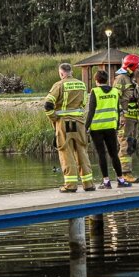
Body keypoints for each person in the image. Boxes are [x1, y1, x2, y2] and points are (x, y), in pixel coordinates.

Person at [44, 63, 94, 192]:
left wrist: (54, 118)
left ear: (61, 73)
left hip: (64, 124)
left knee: (66, 153)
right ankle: (88, 184)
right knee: (82, 152)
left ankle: (71, 185)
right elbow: (83, 104)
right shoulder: (82, 85)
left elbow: (48, 105)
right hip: (79, 124)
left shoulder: (59, 85)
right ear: (71, 71)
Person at [85, 70, 132, 189]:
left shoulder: (95, 91)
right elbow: (117, 109)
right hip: (111, 127)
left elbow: (91, 111)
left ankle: (106, 181)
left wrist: (86, 127)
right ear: (107, 80)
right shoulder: (115, 91)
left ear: (96, 81)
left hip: (96, 128)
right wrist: (116, 126)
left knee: (101, 154)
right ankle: (121, 179)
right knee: (114, 154)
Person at [113, 54, 139, 184]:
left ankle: (127, 172)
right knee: (125, 145)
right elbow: (115, 99)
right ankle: (125, 174)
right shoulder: (121, 79)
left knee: (131, 145)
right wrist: (121, 115)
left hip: (133, 118)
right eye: (138, 68)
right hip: (125, 119)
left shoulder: (131, 79)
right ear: (131, 67)